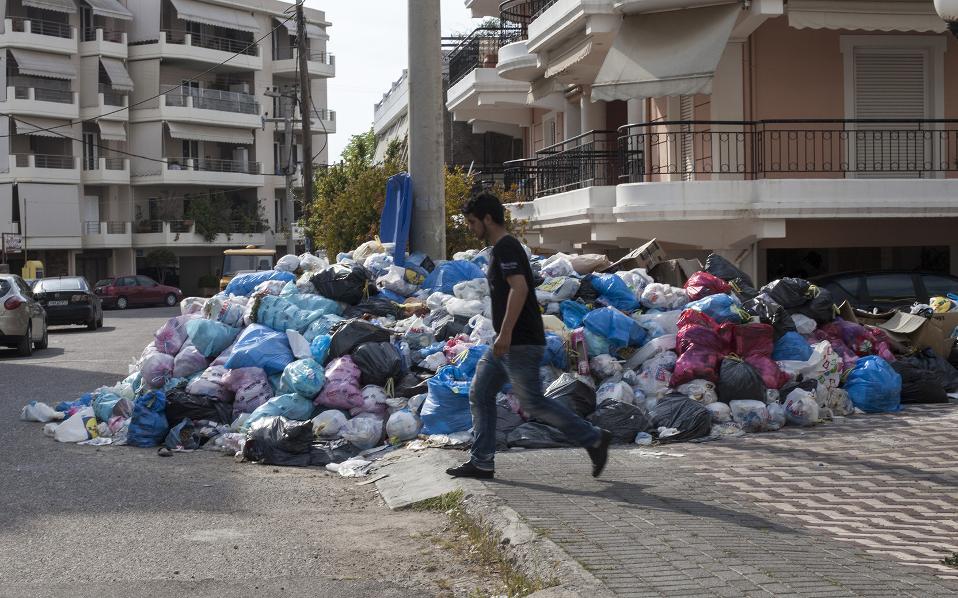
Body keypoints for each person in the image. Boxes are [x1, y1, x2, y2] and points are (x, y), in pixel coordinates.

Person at [446, 193, 612, 480]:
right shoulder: (502, 248)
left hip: (518, 342)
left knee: (533, 403)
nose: (471, 228)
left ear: (487, 218)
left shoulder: (506, 247)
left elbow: (519, 288)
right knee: (480, 393)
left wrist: (506, 333)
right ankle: (482, 462)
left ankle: (594, 438)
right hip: (507, 341)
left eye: (472, 222)